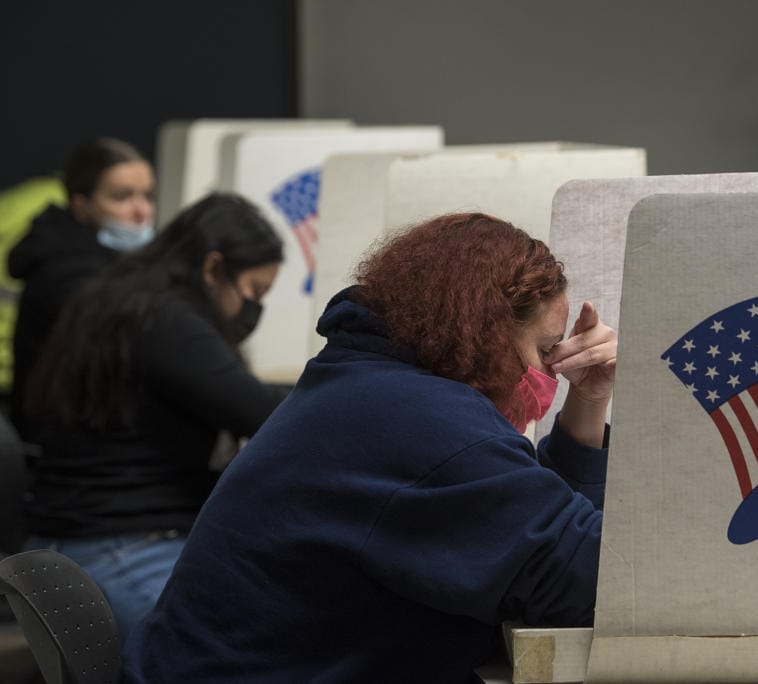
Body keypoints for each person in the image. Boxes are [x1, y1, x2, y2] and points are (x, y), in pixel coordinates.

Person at [121, 212, 616, 683]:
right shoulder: (422, 421)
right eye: (546, 350)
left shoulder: (368, 382)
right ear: (486, 333)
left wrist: (588, 402)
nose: (551, 371)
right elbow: (591, 581)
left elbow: (539, 535)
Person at [21, 192, 289, 640]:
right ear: (213, 268)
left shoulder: (123, 297)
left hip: (77, 541)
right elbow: (264, 414)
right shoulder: (167, 320)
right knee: (252, 652)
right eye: (253, 292)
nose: (253, 309)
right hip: (121, 547)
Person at [8, 137, 155, 435]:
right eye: (122, 197)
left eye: (147, 195)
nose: (142, 211)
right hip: (62, 443)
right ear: (81, 205)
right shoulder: (70, 276)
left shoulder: (113, 263)